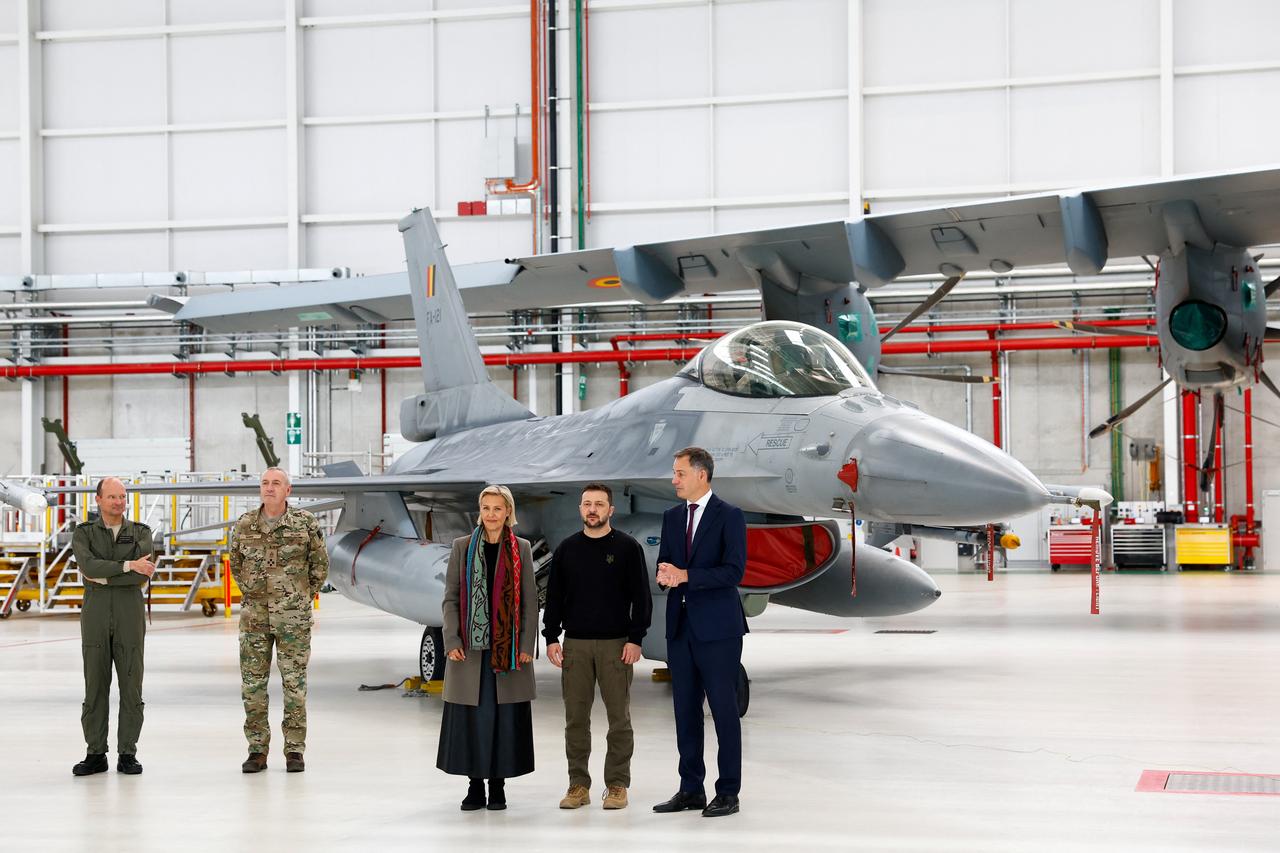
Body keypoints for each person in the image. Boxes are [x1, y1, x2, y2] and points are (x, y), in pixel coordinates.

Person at [544, 483, 652, 811]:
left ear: (610, 510)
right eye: (587, 504)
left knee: (619, 719)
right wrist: (551, 637)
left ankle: (617, 785)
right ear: (580, 509)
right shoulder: (566, 549)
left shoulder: (628, 548)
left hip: (616, 646)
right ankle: (578, 785)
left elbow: (642, 598)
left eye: (599, 504)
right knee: (576, 720)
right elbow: (554, 599)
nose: (593, 509)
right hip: (575, 644)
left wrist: (636, 638)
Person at [652, 447, 747, 818]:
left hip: (719, 631)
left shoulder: (730, 517)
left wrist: (686, 575)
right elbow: (668, 563)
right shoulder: (672, 517)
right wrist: (665, 575)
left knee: (724, 712)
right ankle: (691, 788)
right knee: (684, 712)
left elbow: (733, 572)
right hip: (680, 628)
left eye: (679, 473)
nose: (673, 480)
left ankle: (728, 793)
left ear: (701, 475)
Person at [437, 484, 538, 811]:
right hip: (470, 651)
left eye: (498, 509)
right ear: (479, 512)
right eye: (486, 509)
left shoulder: (521, 548)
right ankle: (475, 786)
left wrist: (525, 644)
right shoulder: (461, 547)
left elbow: (529, 603)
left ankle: (498, 787)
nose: (491, 515)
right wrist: (451, 639)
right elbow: (450, 597)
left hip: (507, 652)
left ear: (508, 512)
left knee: (504, 720)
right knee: (473, 720)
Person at [228, 466, 328, 774]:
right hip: (254, 617)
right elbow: (236, 564)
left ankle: (294, 750)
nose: (269, 488)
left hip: (293, 619)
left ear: (288, 490)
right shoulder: (245, 525)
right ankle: (257, 750)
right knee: (253, 685)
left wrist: (298, 597)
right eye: (265, 483)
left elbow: (319, 565)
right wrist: (254, 593)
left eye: (276, 483)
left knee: (294, 684)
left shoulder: (304, 524)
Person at [70, 477, 156, 776]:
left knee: (131, 684)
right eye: (112, 497)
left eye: (122, 497)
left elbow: (141, 576)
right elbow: (87, 566)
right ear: (98, 500)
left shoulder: (141, 532)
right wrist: (127, 565)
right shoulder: (83, 533)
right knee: (95, 684)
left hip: (128, 610)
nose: (118, 502)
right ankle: (95, 753)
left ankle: (127, 753)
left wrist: (111, 573)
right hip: (95, 610)